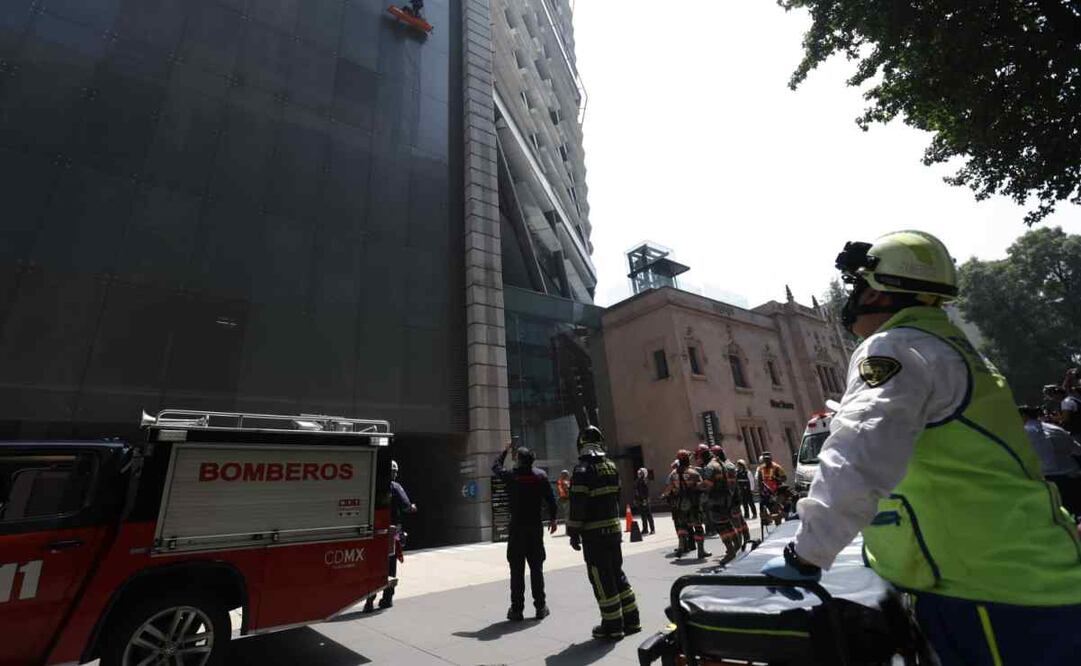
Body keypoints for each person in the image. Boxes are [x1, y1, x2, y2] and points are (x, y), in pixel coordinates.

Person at [762, 230, 1081, 666]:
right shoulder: (950, 349)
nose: (852, 297)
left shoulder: (895, 347)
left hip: (990, 590)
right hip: (1019, 573)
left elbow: (855, 454)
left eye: (859, 285)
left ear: (879, 291)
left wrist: (807, 553)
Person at [567, 425, 640, 640]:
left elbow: (578, 505)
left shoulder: (582, 470)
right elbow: (616, 497)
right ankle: (632, 620)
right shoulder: (611, 466)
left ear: (581, 444)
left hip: (594, 535)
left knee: (601, 577)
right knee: (617, 572)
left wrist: (573, 531)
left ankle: (612, 625)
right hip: (613, 531)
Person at [492, 442, 558, 621]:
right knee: (537, 568)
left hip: (517, 529)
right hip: (535, 528)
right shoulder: (541, 476)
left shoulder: (511, 476)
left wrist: (504, 450)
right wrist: (553, 519)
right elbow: (551, 500)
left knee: (516, 569)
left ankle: (517, 609)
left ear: (519, 460)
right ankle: (540, 607)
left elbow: (495, 466)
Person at [364, 459, 416, 612]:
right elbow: (406, 506)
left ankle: (369, 602)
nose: (395, 474)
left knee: (374, 567)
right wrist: (412, 507)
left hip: (373, 532)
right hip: (390, 534)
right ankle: (387, 599)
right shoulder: (395, 487)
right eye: (395, 472)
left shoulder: (372, 485)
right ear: (392, 472)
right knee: (390, 567)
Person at [1020, 405, 1081, 517]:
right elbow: (1076, 449)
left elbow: (1047, 462)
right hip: (1072, 474)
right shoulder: (1054, 428)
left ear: (1024, 416)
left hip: (1053, 478)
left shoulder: (1028, 431)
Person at [701, 445, 741, 564]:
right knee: (728, 524)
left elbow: (707, 485)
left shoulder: (710, 466)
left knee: (721, 527)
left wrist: (698, 486)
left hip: (716, 500)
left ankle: (730, 551)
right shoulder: (722, 464)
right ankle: (737, 546)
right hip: (727, 499)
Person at [675, 448, 710, 559]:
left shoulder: (675, 473)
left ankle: (681, 546)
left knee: (682, 526)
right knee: (698, 527)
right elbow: (701, 486)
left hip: (681, 503)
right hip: (694, 503)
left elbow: (672, 488)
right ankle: (701, 551)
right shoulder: (693, 472)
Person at [662, 460, 687, 555]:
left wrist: (664, 495)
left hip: (677, 503)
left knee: (680, 524)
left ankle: (683, 546)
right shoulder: (687, 472)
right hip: (683, 503)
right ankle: (688, 545)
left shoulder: (672, 475)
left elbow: (669, 488)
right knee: (687, 525)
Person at [755, 452, 786, 525]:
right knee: (763, 509)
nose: (766, 461)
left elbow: (784, 478)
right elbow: (760, 480)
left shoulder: (777, 467)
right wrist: (760, 490)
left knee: (775, 509)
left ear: (771, 458)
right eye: (765, 459)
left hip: (776, 492)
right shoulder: (760, 468)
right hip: (766, 492)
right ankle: (767, 520)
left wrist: (776, 478)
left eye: (768, 459)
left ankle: (778, 525)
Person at [633, 468, 655, 535]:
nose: (639, 474)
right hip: (639, 500)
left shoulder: (645, 480)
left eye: (641, 473)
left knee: (648, 515)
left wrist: (646, 500)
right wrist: (635, 499)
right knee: (643, 515)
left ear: (644, 473)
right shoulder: (637, 481)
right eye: (639, 473)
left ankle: (652, 529)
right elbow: (636, 491)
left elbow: (647, 491)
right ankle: (645, 529)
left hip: (645, 500)